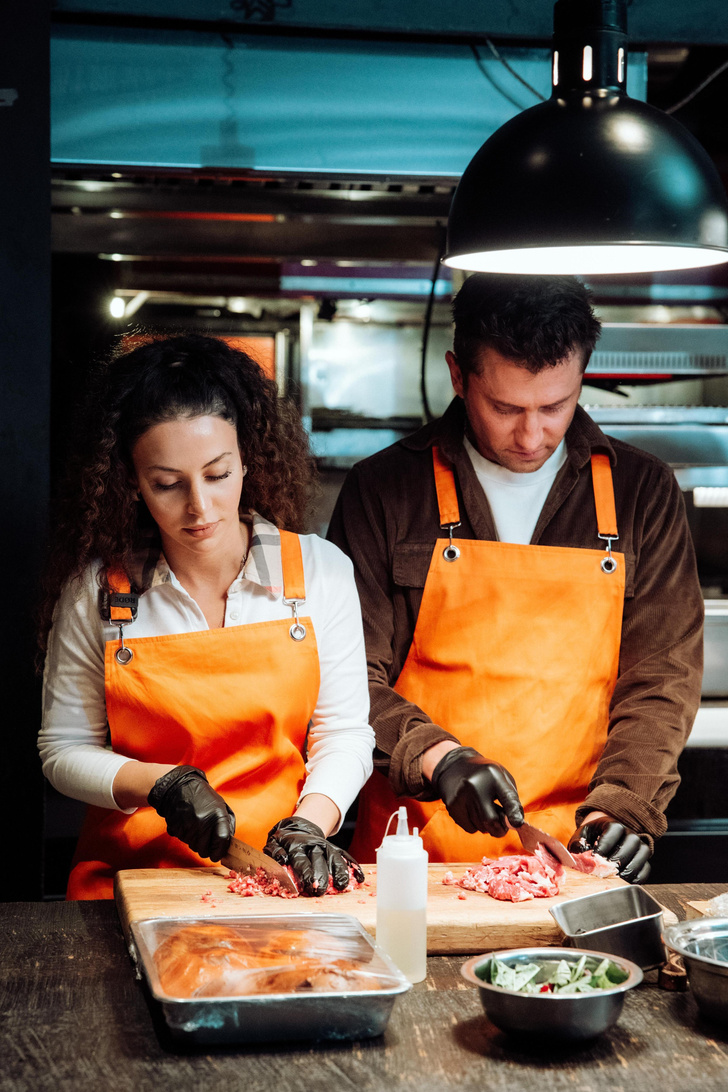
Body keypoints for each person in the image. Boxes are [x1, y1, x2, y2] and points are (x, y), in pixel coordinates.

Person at [328, 273, 704, 884]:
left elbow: (662, 679)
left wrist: (626, 807)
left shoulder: (642, 493)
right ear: (458, 375)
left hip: (579, 857)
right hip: (411, 859)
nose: (531, 436)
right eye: (505, 408)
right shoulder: (383, 491)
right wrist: (437, 757)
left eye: (555, 406)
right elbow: (343, 677)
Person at [38, 333, 374, 899]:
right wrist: (159, 785)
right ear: (131, 482)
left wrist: (310, 823)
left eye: (218, 474)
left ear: (248, 458)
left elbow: (343, 733)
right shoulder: (98, 591)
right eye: (166, 484)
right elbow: (61, 750)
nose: (199, 507)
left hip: (277, 877)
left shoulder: (320, 571)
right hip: (130, 883)